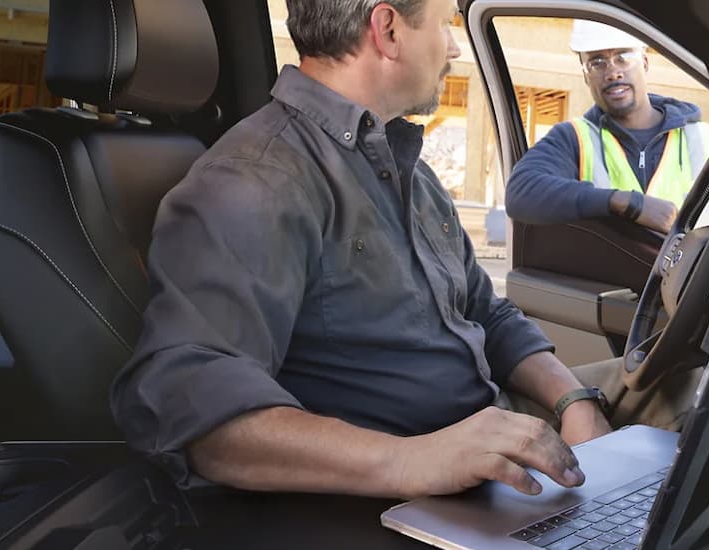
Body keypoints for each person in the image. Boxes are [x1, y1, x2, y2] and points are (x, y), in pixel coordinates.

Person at [110, 0, 612, 500]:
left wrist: (573, 401)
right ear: (388, 29)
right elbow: (188, 400)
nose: (455, 46)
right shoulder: (256, 179)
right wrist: (416, 460)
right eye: (445, 26)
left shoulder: (410, 170)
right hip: (403, 487)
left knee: (678, 396)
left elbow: (486, 314)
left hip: (490, 436)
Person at [505, 20, 709, 234]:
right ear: (585, 76)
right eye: (597, 62)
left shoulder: (708, 142)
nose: (612, 72)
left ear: (645, 63)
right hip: (605, 270)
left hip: (692, 270)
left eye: (623, 57)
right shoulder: (574, 139)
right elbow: (520, 192)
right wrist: (625, 203)